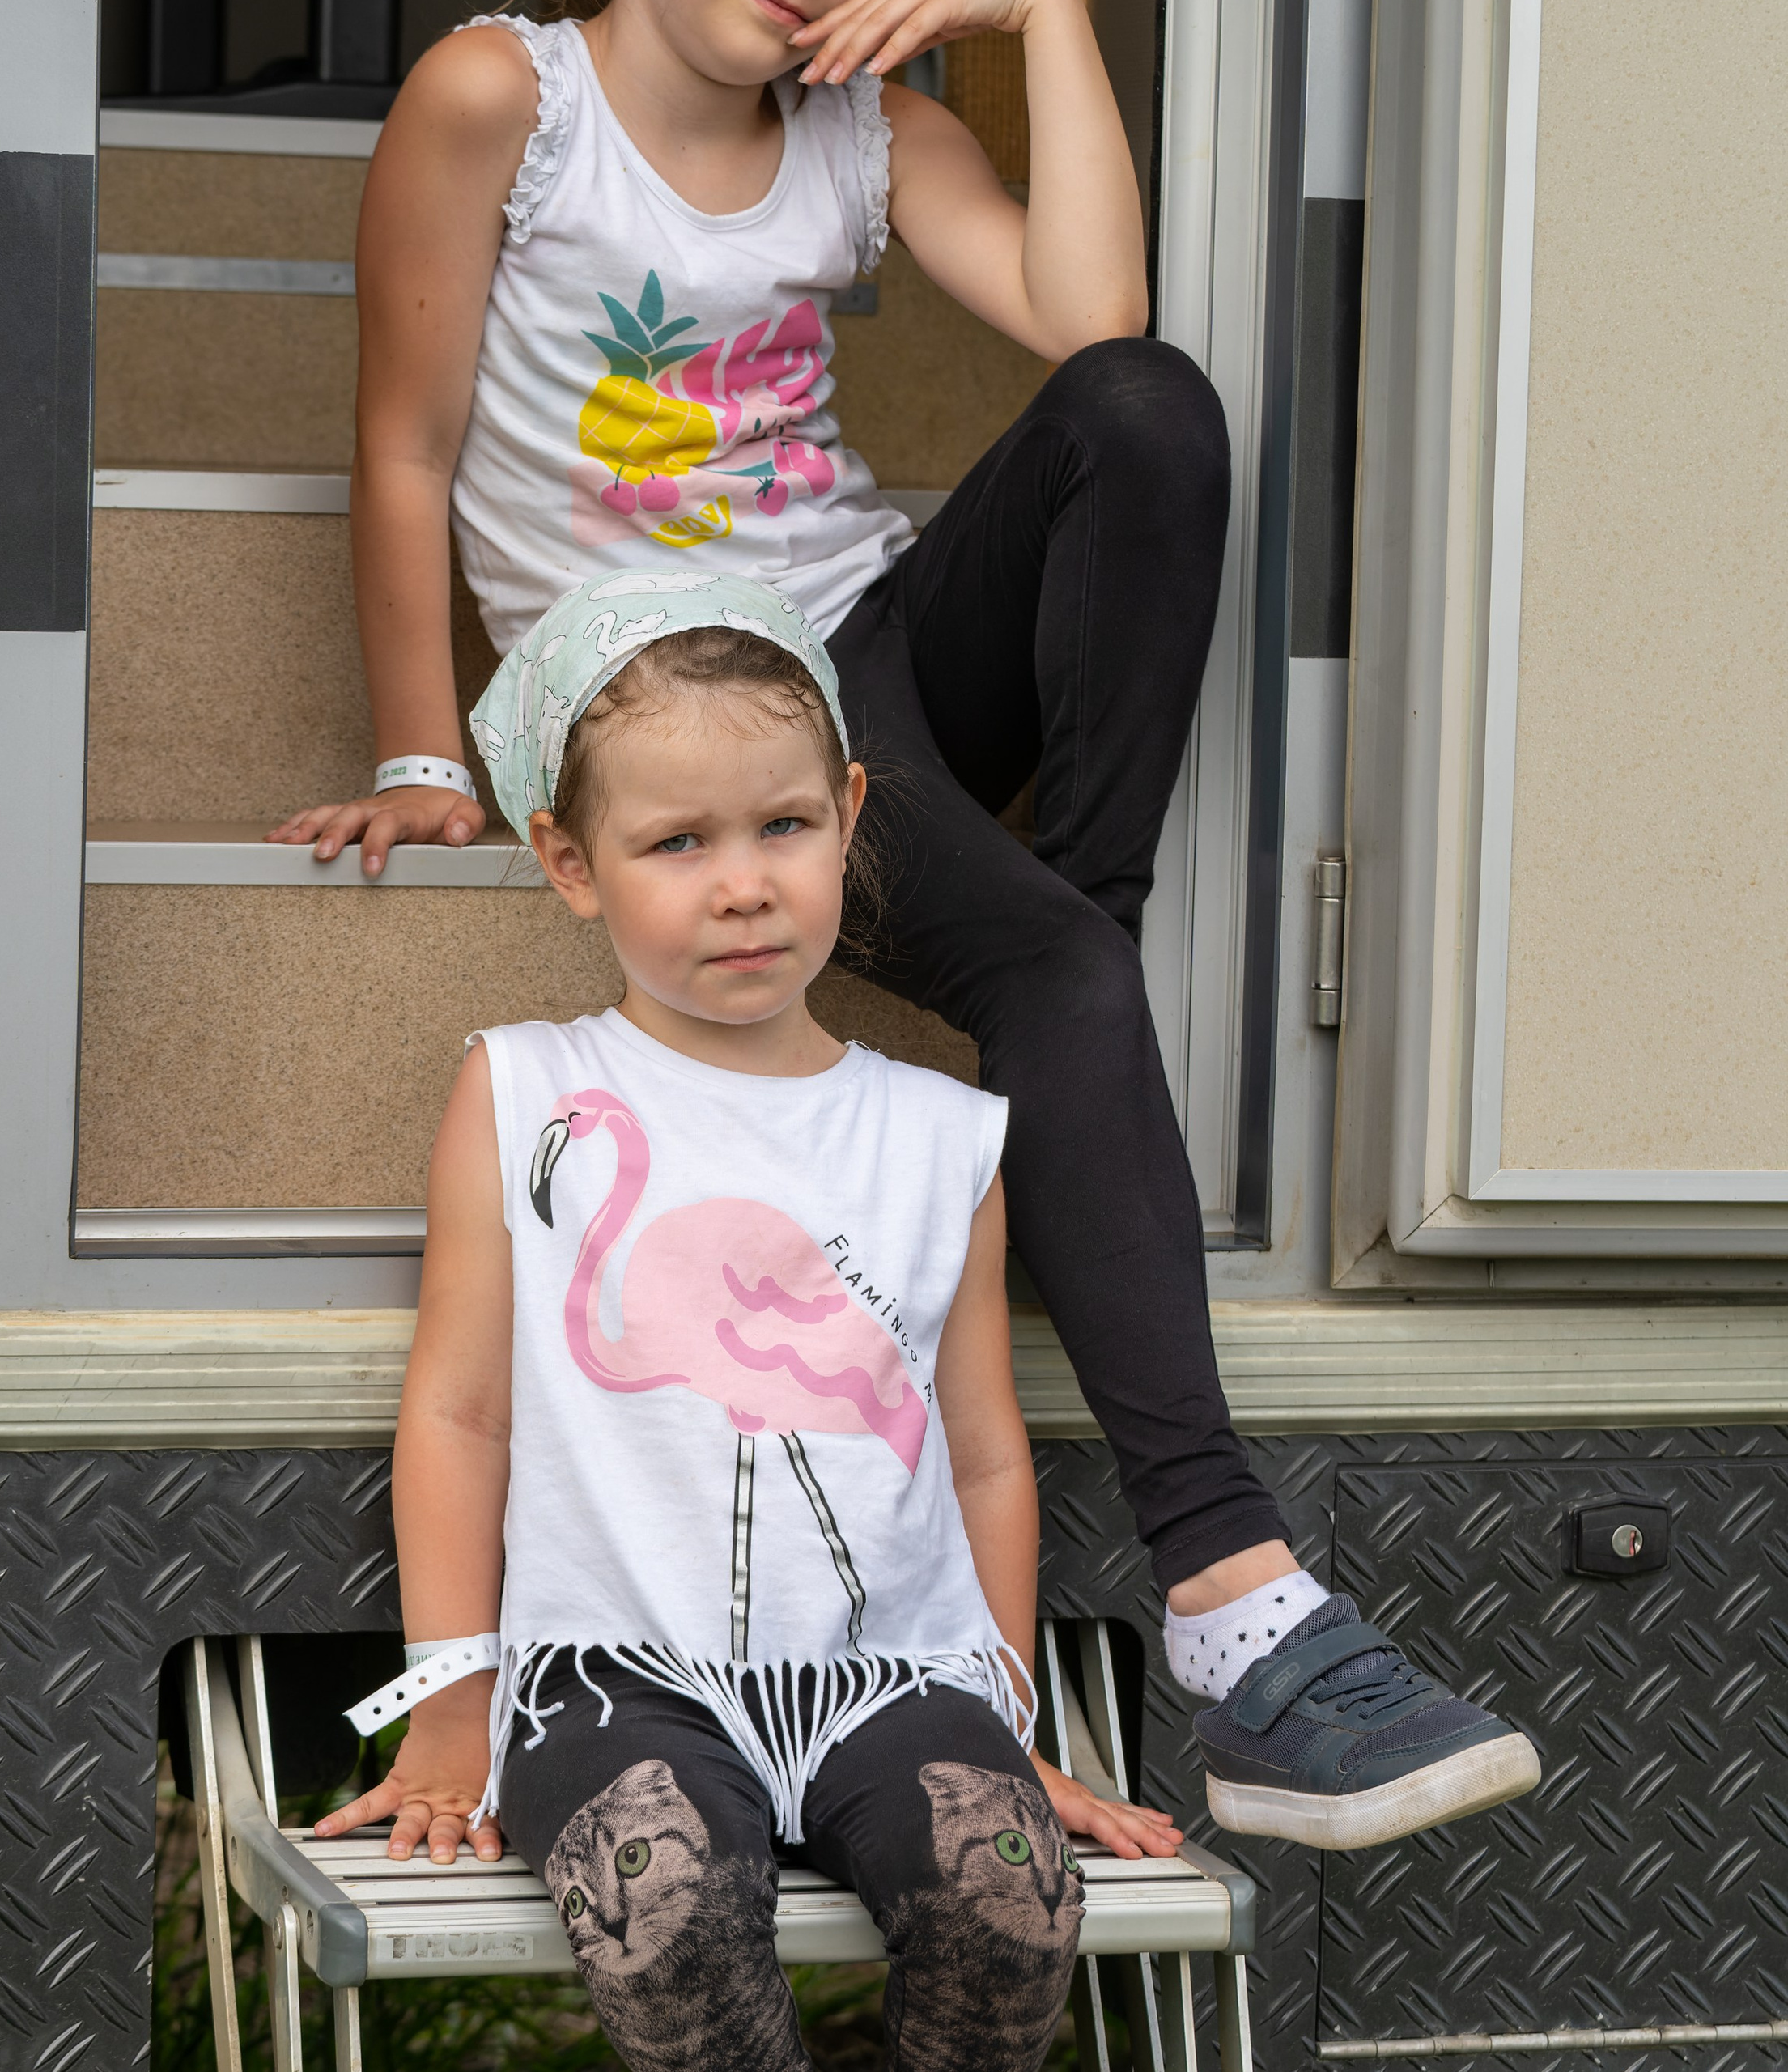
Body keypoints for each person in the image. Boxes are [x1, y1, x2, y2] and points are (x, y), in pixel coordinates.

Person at [274, 0, 1540, 1848]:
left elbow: (1094, 314)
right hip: (644, 673)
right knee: (1055, 973)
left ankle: (1075, 950)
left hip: (861, 635)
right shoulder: (504, 98)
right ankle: (1231, 1592)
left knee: (1144, 403)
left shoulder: (869, 127)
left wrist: (1042, 12)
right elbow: (405, 442)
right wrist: (418, 749)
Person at [318, 572, 1181, 2072]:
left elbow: (982, 1453)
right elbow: (461, 1411)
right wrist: (455, 1701)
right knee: (664, 1918)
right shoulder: (525, 1092)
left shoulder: (944, 1136)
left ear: (849, 816)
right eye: (677, 842)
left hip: (898, 1678)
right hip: (613, 1676)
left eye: (783, 825)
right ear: (570, 864)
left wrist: (1005, 1720)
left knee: (1012, 1899)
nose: (743, 885)